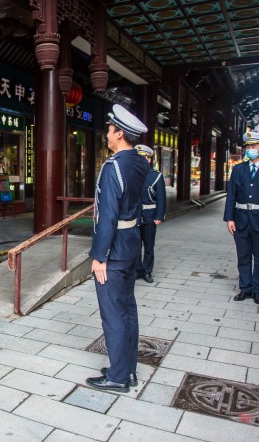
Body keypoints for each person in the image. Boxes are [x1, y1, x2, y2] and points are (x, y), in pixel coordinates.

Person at [86, 104, 150, 392]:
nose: (107, 134)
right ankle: (128, 369)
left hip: (114, 251)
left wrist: (100, 256)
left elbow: (108, 216)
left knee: (112, 314)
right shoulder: (139, 162)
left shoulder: (114, 167)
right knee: (128, 310)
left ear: (120, 133)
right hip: (131, 245)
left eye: (110, 130)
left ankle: (117, 377)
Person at [223, 131, 259, 305]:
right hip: (241, 219)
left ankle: (257, 290)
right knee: (243, 256)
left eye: (254, 146)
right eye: (248, 147)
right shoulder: (239, 169)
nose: (250, 149)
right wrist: (229, 218)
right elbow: (231, 196)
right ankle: (245, 288)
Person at [135, 145, 166, 284]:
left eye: (144, 157)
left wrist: (159, 216)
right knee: (135, 246)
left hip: (149, 216)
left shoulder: (156, 176)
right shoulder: (131, 174)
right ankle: (137, 270)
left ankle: (147, 271)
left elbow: (161, 198)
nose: (142, 160)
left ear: (149, 159)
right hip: (134, 216)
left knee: (148, 246)